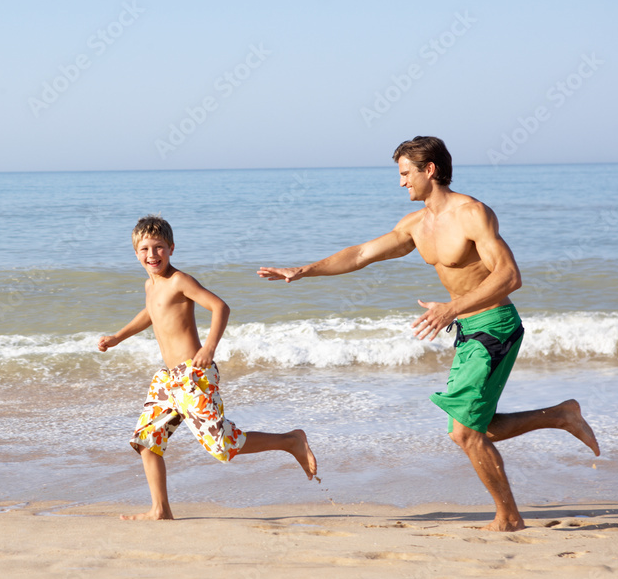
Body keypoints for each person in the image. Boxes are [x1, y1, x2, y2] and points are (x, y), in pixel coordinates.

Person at [257, 136, 600, 532]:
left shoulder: (472, 213)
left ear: (429, 170)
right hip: (469, 328)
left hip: (494, 325)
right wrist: (303, 270)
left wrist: (451, 308)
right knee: (479, 426)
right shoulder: (416, 224)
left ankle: (509, 517)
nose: (402, 182)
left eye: (406, 173)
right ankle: (560, 415)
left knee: (465, 433)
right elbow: (362, 254)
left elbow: (510, 276)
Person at [99, 215, 318, 520]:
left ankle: (290, 440)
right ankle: (160, 509)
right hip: (167, 381)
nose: (152, 255)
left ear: (171, 248)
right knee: (145, 440)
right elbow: (150, 313)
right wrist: (117, 337)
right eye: (145, 249)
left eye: (159, 248)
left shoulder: (179, 281)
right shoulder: (151, 285)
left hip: (193, 376)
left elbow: (220, 307)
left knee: (222, 446)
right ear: (136, 252)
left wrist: (208, 348)